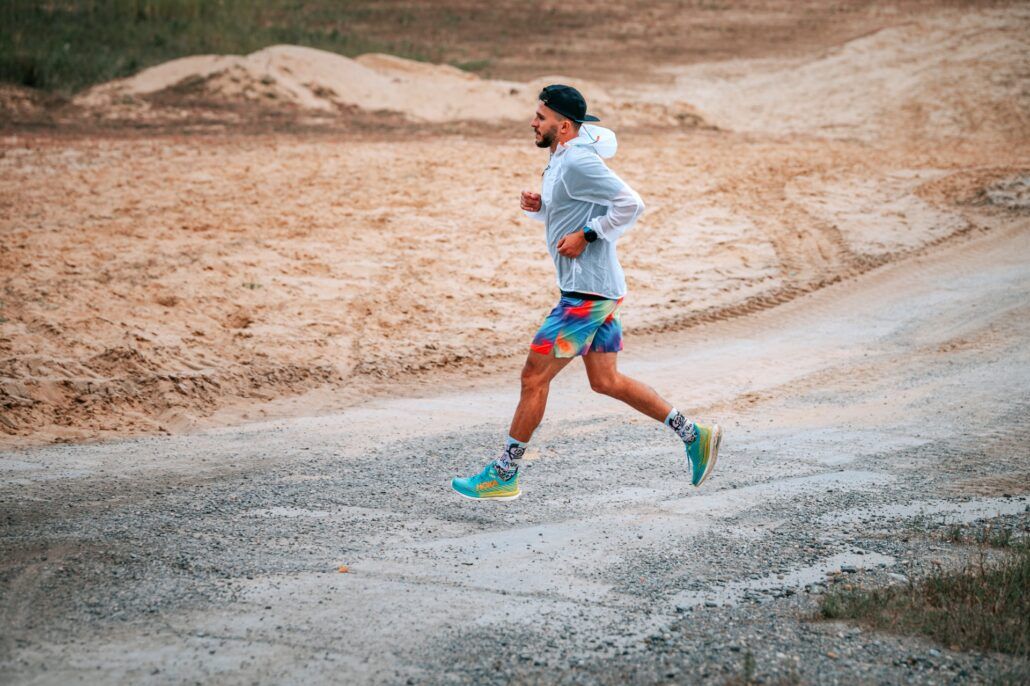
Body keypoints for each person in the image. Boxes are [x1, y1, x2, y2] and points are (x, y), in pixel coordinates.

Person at [451, 84, 721, 501]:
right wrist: (542, 207)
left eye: (540, 117)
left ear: (562, 126)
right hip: (597, 290)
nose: (532, 122)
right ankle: (694, 434)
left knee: (533, 378)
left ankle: (504, 473)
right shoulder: (561, 157)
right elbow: (576, 205)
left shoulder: (577, 160)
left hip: (585, 296)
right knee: (606, 381)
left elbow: (631, 203)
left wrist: (588, 235)